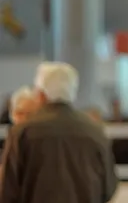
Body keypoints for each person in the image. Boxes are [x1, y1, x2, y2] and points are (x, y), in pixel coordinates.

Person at [0, 61, 119, 203]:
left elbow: (8, 190)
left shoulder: (23, 132)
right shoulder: (95, 132)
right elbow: (108, 188)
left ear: (41, 94)